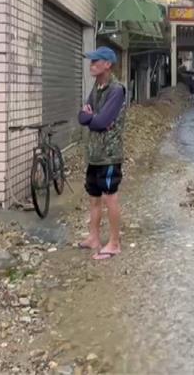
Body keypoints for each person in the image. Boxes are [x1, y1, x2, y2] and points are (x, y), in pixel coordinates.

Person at [77, 46, 127, 261]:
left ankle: (114, 242)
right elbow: (82, 117)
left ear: (107, 64)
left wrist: (92, 118)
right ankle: (94, 238)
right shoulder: (96, 88)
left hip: (109, 154)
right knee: (94, 198)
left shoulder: (116, 90)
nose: (92, 64)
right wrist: (91, 118)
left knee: (110, 198)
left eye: (96, 61)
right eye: (91, 61)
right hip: (94, 153)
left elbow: (102, 121)